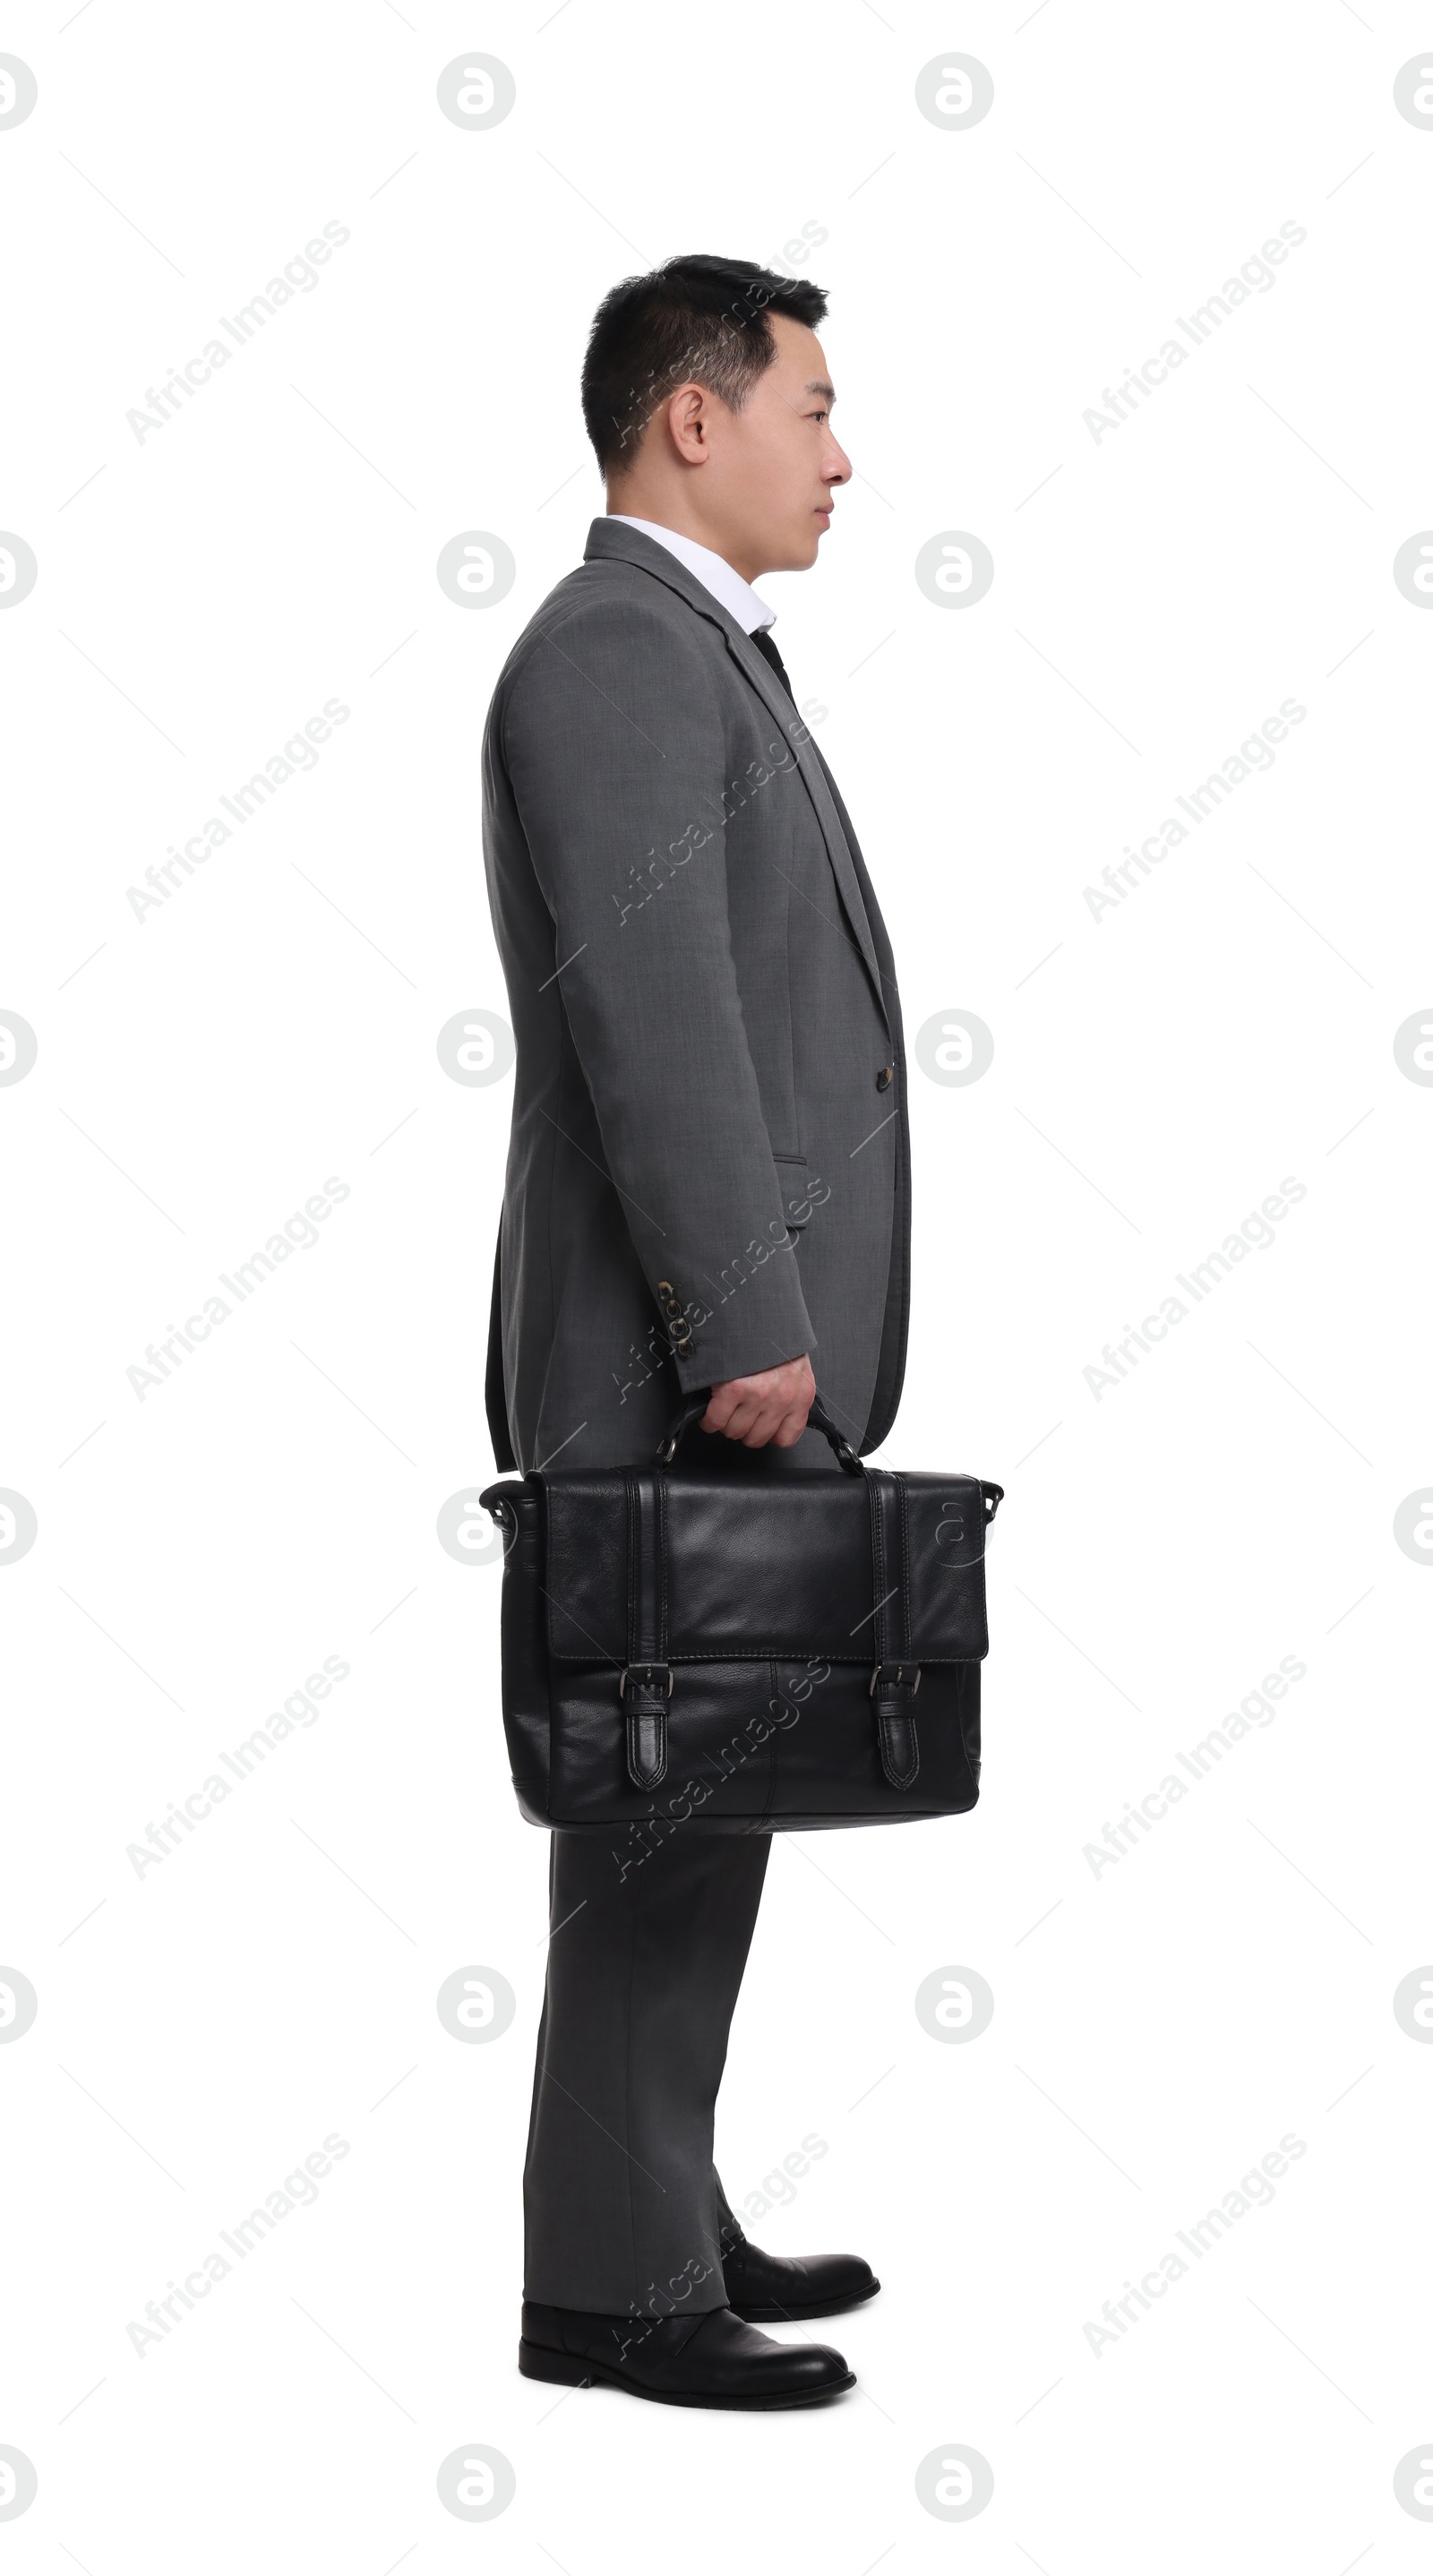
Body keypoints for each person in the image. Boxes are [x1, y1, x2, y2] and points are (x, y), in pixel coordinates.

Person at [481, 254, 911, 2408]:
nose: (837, 453)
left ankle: (653, 2206)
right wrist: (744, 1311)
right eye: (810, 409)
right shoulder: (618, 654)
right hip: (676, 1365)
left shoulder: (691, 653)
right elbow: (655, 1023)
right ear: (689, 420)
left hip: (714, 1366)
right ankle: (613, 2294)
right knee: (650, 1831)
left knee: (695, 1826)